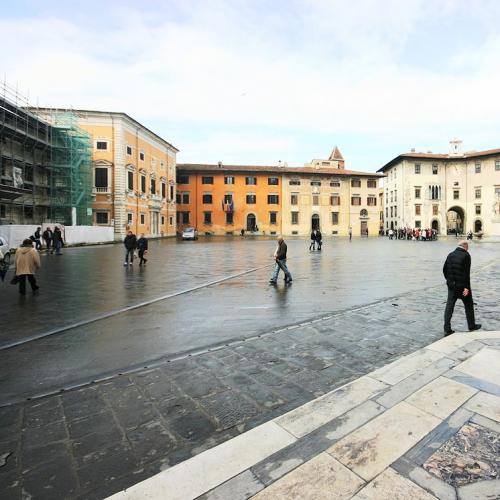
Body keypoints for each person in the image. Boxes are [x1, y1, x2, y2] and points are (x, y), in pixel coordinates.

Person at [443, 240, 481, 336]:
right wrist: (466, 288)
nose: (468, 247)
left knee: (449, 306)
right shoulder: (466, 255)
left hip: (452, 286)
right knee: (468, 305)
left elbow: (444, 270)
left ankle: (447, 328)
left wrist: (450, 281)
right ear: (464, 246)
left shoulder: (450, 255)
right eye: (467, 245)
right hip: (462, 286)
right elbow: (466, 273)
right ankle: (471, 325)